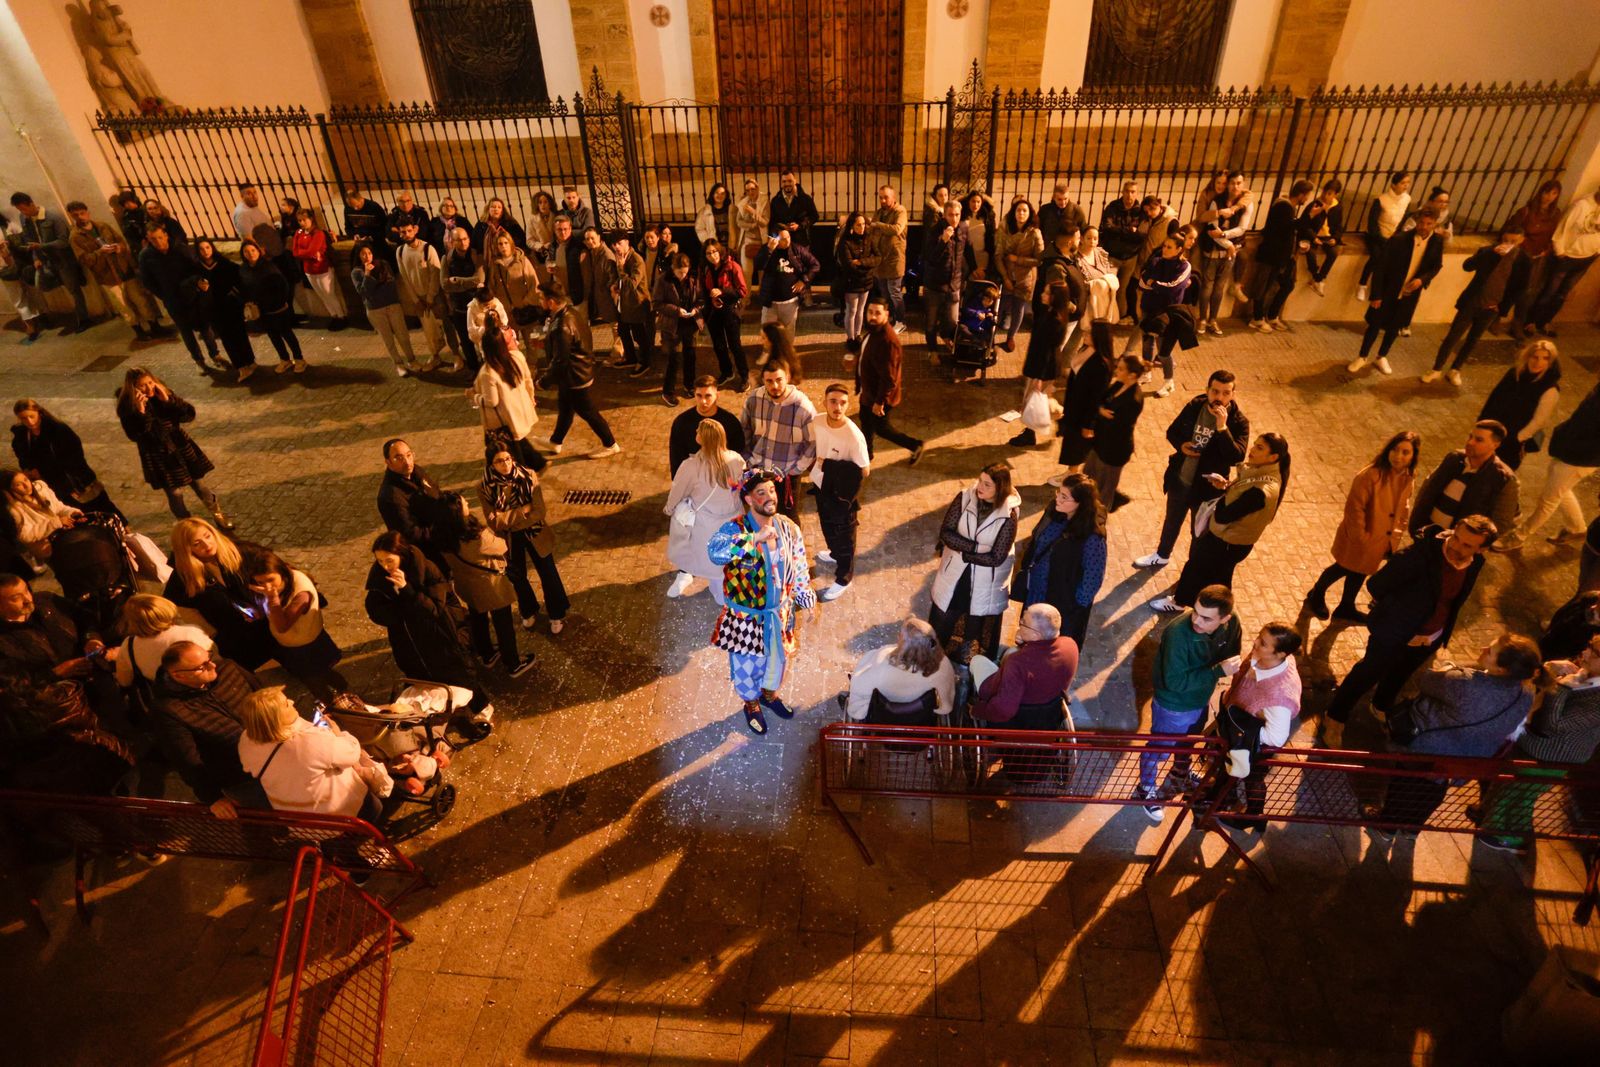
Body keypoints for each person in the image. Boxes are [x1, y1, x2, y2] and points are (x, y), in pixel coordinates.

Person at [1320, 515, 1496, 748]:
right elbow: (1377, 585)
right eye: (1456, 537)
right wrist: (1403, 614)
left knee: (1400, 675)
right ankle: (1335, 717)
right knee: (1368, 673)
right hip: (1395, 631)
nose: (1456, 545)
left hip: (1431, 635)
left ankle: (1381, 706)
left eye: (1466, 545)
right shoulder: (1418, 556)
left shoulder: (1475, 563)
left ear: (1481, 550)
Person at [1373, 634, 1543, 835]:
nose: (1482, 649)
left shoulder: (1466, 683)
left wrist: (1449, 668)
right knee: (1434, 790)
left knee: (1404, 784)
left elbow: (1426, 680)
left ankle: (1387, 828)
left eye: (1489, 651)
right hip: (1462, 759)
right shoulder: (1525, 695)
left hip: (1426, 747)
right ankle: (1412, 828)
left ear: (1502, 669)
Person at [707, 466, 818, 736]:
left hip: (779, 613)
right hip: (746, 618)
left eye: (771, 490)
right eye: (761, 492)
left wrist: (805, 595)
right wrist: (753, 538)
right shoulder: (734, 528)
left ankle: (768, 696)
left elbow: (800, 563)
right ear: (748, 499)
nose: (770, 497)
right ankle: (751, 704)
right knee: (748, 667)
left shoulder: (788, 527)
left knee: (777, 660)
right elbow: (715, 551)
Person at [1480, 634, 1600, 853]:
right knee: (1508, 786)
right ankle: (1490, 819)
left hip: (1553, 756)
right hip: (1532, 744)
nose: (1585, 653)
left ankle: (1510, 837)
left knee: (1520, 795)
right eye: (1589, 645)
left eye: (1594, 652)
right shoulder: (1583, 674)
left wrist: (1560, 687)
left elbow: (1554, 725)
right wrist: (1550, 671)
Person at [1136, 584, 1242, 821]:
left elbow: (1233, 650)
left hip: (1200, 698)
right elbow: (1174, 682)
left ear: (1224, 618)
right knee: (1159, 749)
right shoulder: (1178, 634)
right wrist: (1217, 671)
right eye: (1195, 611)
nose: (1196, 620)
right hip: (1173, 705)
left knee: (1188, 741)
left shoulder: (1232, 622)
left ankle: (1180, 772)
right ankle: (1145, 788)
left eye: (1206, 618)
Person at [1154, 433, 1289, 613]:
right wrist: (1226, 486)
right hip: (1234, 542)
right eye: (1255, 444)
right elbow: (1240, 498)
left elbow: (1224, 515)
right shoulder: (1263, 474)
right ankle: (1218, 611)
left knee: (1196, 568)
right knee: (1220, 577)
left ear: (1273, 457)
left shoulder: (1261, 490)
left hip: (1227, 541)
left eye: (1260, 448)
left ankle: (1180, 602)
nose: (1252, 450)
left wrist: (1222, 498)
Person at [365, 530, 491, 721]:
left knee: (458, 674)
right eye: (380, 561)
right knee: (424, 678)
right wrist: (401, 613)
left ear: (402, 555)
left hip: (440, 634)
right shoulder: (379, 579)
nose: (385, 566)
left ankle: (480, 705)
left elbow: (433, 609)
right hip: (409, 641)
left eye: (389, 560)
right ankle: (445, 711)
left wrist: (406, 590)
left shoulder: (426, 569)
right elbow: (375, 610)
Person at [1134, 370, 1248, 570]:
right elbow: (1172, 431)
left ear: (1233, 394)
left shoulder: (1238, 422)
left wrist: (1222, 428)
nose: (1219, 398)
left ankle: (1190, 570)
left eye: (1225, 393)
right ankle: (1162, 555)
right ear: (1207, 390)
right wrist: (1181, 445)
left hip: (1207, 488)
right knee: (1172, 521)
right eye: (1215, 391)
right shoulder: (1196, 406)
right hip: (1182, 478)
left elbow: (1236, 457)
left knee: (1198, 532)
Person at [1304, 430, 1420, 622]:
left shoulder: (1408, 477)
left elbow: (1403, 507)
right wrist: (1362, 538)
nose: (1398, 456)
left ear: (1413, 456)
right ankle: (1316, 593)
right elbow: (1355, 508)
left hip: (1381, 539)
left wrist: (1394, 536)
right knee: (1342, 567)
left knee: (1361, 571)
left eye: (1405, 452)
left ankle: (1346, 605)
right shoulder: (1371, 475)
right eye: (1395, 450)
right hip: (1362, 537)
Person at [150, 641, 268, 817]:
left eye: (209, 657)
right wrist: (212, 797)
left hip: (274, 756)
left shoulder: (228, 668)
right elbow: (187, 760)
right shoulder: (170, 710)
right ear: (179, 676)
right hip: (242, 778)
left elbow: (266, 695)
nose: (212, 665)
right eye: (202, 666)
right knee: (264, 819)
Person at [237, 686, 381, 821]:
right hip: (340, 815)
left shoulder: (246, 740)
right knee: (374, 807)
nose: (292, 701)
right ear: (275, 719)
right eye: (286, 704)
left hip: (299, 821)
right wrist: (339, 734)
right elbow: (351, 753)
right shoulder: (307, 742)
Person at [1213, 622, 1304, 835]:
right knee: (1232, 772)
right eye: (1259, 637)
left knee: (1253, 779)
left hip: (1252, 745)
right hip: (1235, 722)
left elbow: (1276, 736)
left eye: (1263, 643)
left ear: (1280, 653)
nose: (1255, 643)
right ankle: (1225, 798)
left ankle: (1254, 817)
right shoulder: (1265, 657)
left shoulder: (1280, 696)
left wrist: (1244, 729)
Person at [436, 491, 535, 677]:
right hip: (490, 587)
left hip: (467, 585)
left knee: (478, 618)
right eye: (463, 502)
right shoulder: (475, 537)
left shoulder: (443, 536)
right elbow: (501, 545)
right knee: (503, 624)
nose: (466, 502)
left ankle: (487, 654)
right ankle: (513, 663)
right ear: (457, 511)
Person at [929, 461, 1021, 662]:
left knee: (975, 627)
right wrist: (976, 548)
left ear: (1000, 488)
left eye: (987, 484)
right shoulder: (964, 498)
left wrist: (965, 552)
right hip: (956, 573)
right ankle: (935, 658)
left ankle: (967, 666)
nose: (980, 487)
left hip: (984, 582)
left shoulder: (1008, 514)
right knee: (944, 617)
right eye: (980, 481)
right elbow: (946, 533)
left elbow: (997, 557)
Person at [115, 368, 231, 526]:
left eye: (150, 382)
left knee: (199, 485)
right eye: (143, 386)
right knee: (175, 493)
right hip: (158, 454)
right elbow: (135, 436)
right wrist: (140, 414)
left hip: (180, 446)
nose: (149, 388)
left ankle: (217, 513)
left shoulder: (162, 394)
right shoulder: (127, 407)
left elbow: (188, 416)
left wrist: (168, 401)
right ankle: (186, 524)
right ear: (133, 388)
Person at [1496, 380, 1600, 550]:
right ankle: (1577, 528)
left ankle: (1520, 535)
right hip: (1571, 449)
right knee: (1560, 489)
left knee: (1548, 500)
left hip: (1580, 457)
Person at [479, 445, 570, 634]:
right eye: (499, 461)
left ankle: (556, 613)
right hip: (509, 538)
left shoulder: (528, 476)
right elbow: (494, 523)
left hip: (535, 532)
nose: (505, 464)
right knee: (517, 576)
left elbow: (539, 512)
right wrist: (522, 511)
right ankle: (528, 610)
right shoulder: (484, 487)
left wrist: (506, 518)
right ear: (491, 465)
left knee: (548, 572)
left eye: (507, 459)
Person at [1424, 224, 1530, 384]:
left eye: (1513, 241)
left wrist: (1502, 308)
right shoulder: (1488, 251)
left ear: (1521, 240)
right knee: (1453, 337)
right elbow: (1467, 266)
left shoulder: (1524, 261)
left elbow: (1520, 288)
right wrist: (1490, 253)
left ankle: (1455, 369)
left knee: (1473, 340)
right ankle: (1436, 369)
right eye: (1506, 239)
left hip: (1492, 307)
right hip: (1472, 302)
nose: (1508, 243)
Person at [241, 546, 350, 701]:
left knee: (314, 679)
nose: (267, 586)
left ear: (281, 572)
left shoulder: (301, 593)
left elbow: (282, 626)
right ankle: (339, 686)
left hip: (305, 647)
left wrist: (272, 599)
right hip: (292, 644)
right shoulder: (279, 585)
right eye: (261, 582)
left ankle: (331, 700)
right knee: (320, 672)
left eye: (271, 580)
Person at [1012, 475, 1107, 650]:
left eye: (1064, 496)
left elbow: (1092, 580)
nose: (1058, 498)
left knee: (1049, 646)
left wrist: (1071, 607)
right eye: (1059, 493)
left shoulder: (1092, 537)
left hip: (1060, 603)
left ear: (1081, 503)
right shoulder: (1054, 511)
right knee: (1030, 634)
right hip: (1037, 591)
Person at [165, 518, 274, 669]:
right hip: (233, 635)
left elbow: (275, 567)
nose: (207, 544)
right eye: (197, 544)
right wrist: (209, 631)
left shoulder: (241, 551)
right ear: (187, 549)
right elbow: (175, 604)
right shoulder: (184, 575)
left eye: (207, 536)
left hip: (269, 621)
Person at [1347, 207, 1445, 376]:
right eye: (1421, 222)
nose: (1424, 226)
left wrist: (1422, 279)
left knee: (1395, 327)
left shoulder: (1437, 242)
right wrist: (1376, 294)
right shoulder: (1400, 239)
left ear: (1435, 224)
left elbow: (1436, 266)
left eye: (1429, 223)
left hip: (1410, 293)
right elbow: (1381, 267)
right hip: (1388, 291)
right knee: (1374, 324)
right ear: (1417, 221)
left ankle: (1382, 356)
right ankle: (1362, 356)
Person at [532, 279, 621, 458]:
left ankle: (610, 444)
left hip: (574, 377)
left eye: (541, 298)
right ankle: (556, 442)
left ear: (551, 302)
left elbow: (560, 361)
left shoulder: (561, 326)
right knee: (565, 408)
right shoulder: (571, 312)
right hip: (578, 372)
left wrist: (543, 382)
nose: (540, 302)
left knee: (588, 412)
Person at [663, 418, 744, 600]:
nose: (696, 434)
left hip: (706, 524)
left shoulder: (691, 466)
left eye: (698, 432)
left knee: (711, 561)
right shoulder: (736, 459)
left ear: (702, 439)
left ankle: (717, 592)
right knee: (729, 558)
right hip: (734, 519)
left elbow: (678, 491)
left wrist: (669, 508)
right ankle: (727, 592)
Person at [11, 399, 124, 520]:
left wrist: (44, 470)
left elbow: (74, 456)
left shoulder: (58, 430)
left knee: (101, 508)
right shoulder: (21, 436)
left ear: (38, 412)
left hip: (75, 480)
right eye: (24, 418)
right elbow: (23, 458)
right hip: (50, 485)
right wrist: (28, 470)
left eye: (31, 416)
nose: (29, 421)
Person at [66, 199, 160, 339]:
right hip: (107, 276)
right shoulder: (75, 237)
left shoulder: (102, 226)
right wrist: (100, 252)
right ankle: (139, 332)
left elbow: (121, 241)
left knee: (140, 300)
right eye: (76, 215)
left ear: (87, 213)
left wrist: (119, 247)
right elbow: (84, 259)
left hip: (124, 269)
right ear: (71, 216)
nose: (80, 217)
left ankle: (155, 327)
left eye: (82, 213)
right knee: (123, 306)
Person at [971, 602, 1078, 726]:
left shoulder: (1017, 663)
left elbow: (1003, 711)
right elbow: (1038, 656)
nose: (1019, 624)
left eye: (1023, 623)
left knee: (977, 660)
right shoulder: (1070, 645)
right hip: (1048, 710)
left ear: (1035, 635)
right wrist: (1024, 643)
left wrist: (977, 710)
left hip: (1018, 716)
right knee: (1011, 651)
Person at [811, 385, 871, 602]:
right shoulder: (817, 421)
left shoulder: (854, 436)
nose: (838, 407)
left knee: (845, 532)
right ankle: (834, 553)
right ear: (824, 402)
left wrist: (829, 465)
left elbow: (864, 470)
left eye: (843, 402)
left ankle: (845, 576)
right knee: (827, 525)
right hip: (820, 485)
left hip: (842, 494)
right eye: (833, 401)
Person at [1410, 421, 1519, 536]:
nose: (1470, 442)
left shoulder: (1503, 478)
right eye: (1470, 436)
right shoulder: (1454, 458)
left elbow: (1500, 523)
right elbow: (1428, 488)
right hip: (1424, 532)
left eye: (1479, 440)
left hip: (1457, 546)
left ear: (1495, 445)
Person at [740, 361, 815, 524]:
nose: (774, 385)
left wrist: (796, 469)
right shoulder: (754, 399)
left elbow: (812, 443)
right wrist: (747, 460)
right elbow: (744, 430)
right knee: (759, 516)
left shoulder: (803, 407)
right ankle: (764, 548)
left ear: (787, 377)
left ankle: (791, 549)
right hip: (757, 470)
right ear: (763, 380)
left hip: (786, 475)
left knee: (788, 521)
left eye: (779, 379)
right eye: (769, 381)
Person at [844, 617, 957, 722]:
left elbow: (858, 695)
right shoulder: (943, 665)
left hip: (883, 720)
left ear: (903, 641)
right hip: (920, 723)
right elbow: (945, 707)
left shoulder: (881, 662)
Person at [137, 223, 218, 369]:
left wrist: (198, 282)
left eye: (160, 237)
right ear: (148, 239)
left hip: (192, 296)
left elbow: (196, 268)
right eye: (153, 239)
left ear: (166, 235)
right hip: (172, 300)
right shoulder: (145, 256)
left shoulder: (180, 249)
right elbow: (147, 281)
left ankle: (215, 354)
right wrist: (164, 295)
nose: (158, 242)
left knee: (205, 326)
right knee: (186, 331)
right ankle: (199, 360)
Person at [855, 296, 924, 463]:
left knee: (882, 428)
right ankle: (867, 454)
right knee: (866, 423)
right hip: (869, 392)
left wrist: (880, 402)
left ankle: (915, 445)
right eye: (870, 312)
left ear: (886, 314)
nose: (872, 316)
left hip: (878, 396)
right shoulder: (873, 331)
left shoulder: (888, 341)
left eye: (877, 313)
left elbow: (889, 378)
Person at [9, 192, 88, 335]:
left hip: (62, 259)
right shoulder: (24, 219)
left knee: (73, 289)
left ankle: (83, 319)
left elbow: (64, 241)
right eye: (20, 210)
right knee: (43, 285)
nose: (22, 213)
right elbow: (29, 239)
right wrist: (35, 258)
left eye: (24, 209)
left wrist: (42, 247)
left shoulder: (52, 217)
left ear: (31, 203)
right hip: (45, 261)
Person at [1478, 339, 1561, 473]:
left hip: (1511, 441)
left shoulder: (1549, 389)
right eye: (1535, 357)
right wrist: (1482, 422)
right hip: (1491, 430)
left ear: (1550, 363)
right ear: (1528, 356)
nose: (1538, 362)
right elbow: (1494, 397)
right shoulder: (1515, 373)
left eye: (1545, 358)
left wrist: (1517, 438)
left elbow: (1539, 421)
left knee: (1497, 473)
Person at [1245, 179, 1314, 333]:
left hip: (1281, 257)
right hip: (1271, 255)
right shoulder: (1284, 207)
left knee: (1285, 285)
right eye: (1307, 195)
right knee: (1262, 287)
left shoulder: (1288, 208)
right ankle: (1257, 318)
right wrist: (1308, 216)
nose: (1307, 199)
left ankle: (1271, 315)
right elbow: (1284, 228)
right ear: (1301, 194)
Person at [1011, 282, 1073, 449]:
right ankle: (1062, 420)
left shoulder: (1055, 320)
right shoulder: (1052, 313)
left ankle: (1033, 433)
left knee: (1032, 401)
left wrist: (1039, 377)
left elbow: (1047, 350)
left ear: (1054, 298)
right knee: (1038, 399)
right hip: (1041, 366)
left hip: (1043, 368)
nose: (1042, 295)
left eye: (1046, 293)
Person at [1081, 354, 1146, 509]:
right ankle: (1084, 509)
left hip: (1114, 451)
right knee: (1088, 476)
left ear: (1132, 375)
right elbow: (1100, 400)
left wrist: (1100, 412)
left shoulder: (1134, 400)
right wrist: (1101, 411)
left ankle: (1096, 520)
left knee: (1104, 490)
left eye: (1121, 369)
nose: (1117, 371)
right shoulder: (1119, 384)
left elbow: (1117, 425)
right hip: (1100, 443)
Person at [1191, 171, 1253, 337]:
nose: (1233, 187)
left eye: (1236, 183)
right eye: (1230, 183)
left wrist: (1227, 240)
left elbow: (1242, 228)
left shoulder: (1245, 200)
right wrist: (1228, 243)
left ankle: (1213, 319)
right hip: (1211, 248)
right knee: (1206, 286)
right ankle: (1202, 319)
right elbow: (1211, 228)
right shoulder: (1211, 198)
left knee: (1219, 288)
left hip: (1229, 251)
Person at [187, 238, 257, 381]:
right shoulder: (196, 268)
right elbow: (188, 282)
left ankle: (250, 361)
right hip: (213, 309)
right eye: (201, 249)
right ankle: (241, 366)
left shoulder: (224, 263)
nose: (205, 251)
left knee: (240, 334)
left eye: (207, 247)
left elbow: (239, 278)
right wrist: (197, 283)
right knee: (227, 338)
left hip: (230, 305)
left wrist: (246, 299)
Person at [1135, 234, 1194, 397]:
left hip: (1168, 313)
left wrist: (1153, 283)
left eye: (1169, 247)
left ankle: (1169, 382)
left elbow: (1173, 288)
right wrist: (1155, 285)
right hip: (1149, 308)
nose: (1164, 249)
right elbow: (1142, 282)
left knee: (1163, 351)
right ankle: (1146, 372)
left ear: (1179, 249)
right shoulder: (1156, 261)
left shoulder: (1184, 266)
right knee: (1147, 342)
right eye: (1164, 246)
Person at [471, 327, 541, 463]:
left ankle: (524, 476)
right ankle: (537, 464)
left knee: (509, 452)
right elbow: (528, 380)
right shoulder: (517, 357)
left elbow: (492, 401)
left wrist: (473, 396)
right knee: (518, 444)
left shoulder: (488, 372)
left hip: (504, 421)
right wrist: (531, 398)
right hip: (520, 412)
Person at [112, 593, 212, 688]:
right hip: (201, 687)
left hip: (164, 697)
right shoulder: (190, 633)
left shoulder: (129, 644)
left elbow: (124, 681)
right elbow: (216, 659)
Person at [376, 438, 447, 569]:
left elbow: (436, 493)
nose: (407, 462)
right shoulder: (390, 497)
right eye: (399, 458)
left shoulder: (416, 471)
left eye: (409, 455)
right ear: (388, 462)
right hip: (429, 555)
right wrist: (442, 530)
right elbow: (411, 534)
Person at [237, 239, 306, 373]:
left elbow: (283, 286)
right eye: (246, 251)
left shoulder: (269, 267)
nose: (250, 254)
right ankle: (284, 359)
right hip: (261, 310)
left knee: (287, 334)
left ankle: (299, 359)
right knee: (273, 336)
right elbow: (244, 288)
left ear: (258, 251)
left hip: (277, 308)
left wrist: (278, 302)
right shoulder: (244, 270)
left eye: (252, 250)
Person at [352, 243, 418, 375]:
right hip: (375, 309)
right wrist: (367, 275)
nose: (367, 257)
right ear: (358, 256)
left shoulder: (383, 264)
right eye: (363, 254)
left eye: (369, 253)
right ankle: (398, 364)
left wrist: (374, 287)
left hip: (392, 304)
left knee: (403, 335)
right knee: (388, 339)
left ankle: (412, 360)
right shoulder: (356, 272)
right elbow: (364, 292)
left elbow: (390, 284)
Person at [397, 221, 455, 367]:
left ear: (415, 230)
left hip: (434, 296)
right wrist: (416, 299)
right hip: (419, 298)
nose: (406, 234)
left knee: (446, 326)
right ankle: (435, 355)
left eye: (409, 231)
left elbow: (435, 274)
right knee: (428, 329)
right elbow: (405, 277)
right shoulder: (400, 251)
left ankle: (457, 355)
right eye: (403, 232)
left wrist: (430, 297)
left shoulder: (427, 249)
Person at [923, 198, 976, 349]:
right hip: (935, 284)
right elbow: (930, 258)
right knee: (931, 321)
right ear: (944, 215)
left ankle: (946, 337)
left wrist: (974, 268)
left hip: (955, 283)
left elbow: (969, 249)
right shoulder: (935, 231)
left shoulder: (963, 228)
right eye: (951, 215)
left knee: (952, 319)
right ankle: (932, 350)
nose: (954, 218)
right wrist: (943, 241)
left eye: (957, 215)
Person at [670, 376, 745, 478]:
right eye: (699, 395)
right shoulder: (682, 422)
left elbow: (738, 453)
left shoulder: (730, 422)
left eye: (708, 396)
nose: (703, 401)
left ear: (717, 395)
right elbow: (676, 458)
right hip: (693, 479)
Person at [993, 199, 1043, 352]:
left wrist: (1018, 260)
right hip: (1006, 275)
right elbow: (998, 255)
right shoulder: (1004, 229)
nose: (1021, 213)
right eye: (1018, 210)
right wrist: (1005, 278)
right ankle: (990, 336)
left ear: (1030, 214)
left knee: (1018, 309)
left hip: (1024, 278)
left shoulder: (1035, 233)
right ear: (1013, 213)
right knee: (998, 308)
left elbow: (1039, 260)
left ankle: (1010, 337)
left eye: (1025, 210)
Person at [698, 240, 748, 389]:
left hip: (730, 310)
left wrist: (723, 292)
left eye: (714, 251)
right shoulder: (705, 268)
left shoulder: (732, 266)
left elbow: (742, 291)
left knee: (735, 345)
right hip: (713, 312)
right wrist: (707, 306)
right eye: (708, 253)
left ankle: (744, 376)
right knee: (719, 345)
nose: (712, 256)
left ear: (720, 251)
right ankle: (727, 372)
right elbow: (703, 291)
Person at [1055, 345, 1113, 472]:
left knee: (1077, 444)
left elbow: (1096, 396)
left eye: (1089, 333)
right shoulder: (1085, 349)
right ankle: (1070, 472)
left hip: (1083, 411)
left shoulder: (1101, 362)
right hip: (1075, 405)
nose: (1085, 333)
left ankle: (1072, 473)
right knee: (1072, 442)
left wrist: (1089, 424)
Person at [1355, 171, 1412, 302]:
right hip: (1376, 236)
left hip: (1392, 237)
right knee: (1377, 256)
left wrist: (1397, 236)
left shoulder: (1407, 199)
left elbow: (1403, 219)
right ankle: (1362, 284)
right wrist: (1382, 239)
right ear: (1393, 185)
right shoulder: (1381, 200)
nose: (1406, 186)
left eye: (1408, 183)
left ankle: (1380, 291)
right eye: (1403, 183)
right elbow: (1372, 224)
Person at [4, 469, 83, 560]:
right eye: (18, 485)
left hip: (62, 533)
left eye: (25, 479)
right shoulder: (14, 509)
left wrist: (72, 513)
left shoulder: (41, 488)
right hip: (48, 547)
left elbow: (59, 508)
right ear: (10, 490)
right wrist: (56, 523)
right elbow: (25, 536)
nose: (26, 485)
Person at [654, 252, 700, 406]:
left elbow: (700, 299)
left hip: (690, 323)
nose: (683, 276)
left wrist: (695, 310)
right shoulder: (663, 280)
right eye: (680, 272)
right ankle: (668, 392)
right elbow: (657, 304)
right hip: (672, 325)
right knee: (674, 359)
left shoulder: (692, 279)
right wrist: (676, 311)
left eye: (685, 272)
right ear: (673, 269)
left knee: (690, 356)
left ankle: (689, 385)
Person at [289, 208, 347, 330]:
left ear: (311, 219)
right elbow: (294, 252)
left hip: (322, 269)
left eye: (304, 220)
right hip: (309, 270)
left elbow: (311, 251)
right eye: (299, 220)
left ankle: (341, 317)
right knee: (321, 295)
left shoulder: (318, 233)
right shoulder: (298, 233)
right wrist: (305, 254)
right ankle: (333, 315)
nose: (302, 223)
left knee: (329, 294)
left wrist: (304, 253)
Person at [485, 231, 543, 353]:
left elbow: (534, 284)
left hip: (524, 307)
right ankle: (518, 366)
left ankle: (533, 364)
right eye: (500, 244)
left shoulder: (522, 260)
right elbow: (492, 287)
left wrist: (525, 301)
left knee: (530, 341)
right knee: (510, 344)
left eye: (506, 243)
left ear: (511, 244)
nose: (503, 246)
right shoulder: (495, 264)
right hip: (506, 312)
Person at [606, 231, 654, 376]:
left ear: (627, 242)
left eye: (619, 243)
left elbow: (631, 284)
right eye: (614, 244)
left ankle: (645, 363)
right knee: (623, 331)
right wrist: (615, 285)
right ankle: (631, 358)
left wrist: (621, 270)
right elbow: (621, 282)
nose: (617, 247)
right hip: (624, 303)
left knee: (639, 335)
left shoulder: (636, 259)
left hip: (637, 304)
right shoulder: (620, 257)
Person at [755, 229, 819, 335]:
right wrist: (768, 251)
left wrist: (803, 281)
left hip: (790, 301)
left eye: (788, 237)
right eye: (783, 239)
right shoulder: (767, 249)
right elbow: (758, 264)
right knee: (768, 334)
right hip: (770, 302)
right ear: (775, 239)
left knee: (788, 334)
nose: (787, 241)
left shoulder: (797, 250)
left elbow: (815, 265)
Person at [834, 212, 878, 358]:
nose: (862, 227)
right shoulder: (845, 242)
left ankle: (858, 335)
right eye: (858, 224)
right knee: (851, 311)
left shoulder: (869, 239)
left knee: (861, 310)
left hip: (866, 281)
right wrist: (865, 266)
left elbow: (877, 257)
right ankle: (850, 337)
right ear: (852, 226)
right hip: (851, 282)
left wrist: (861, 262)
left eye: (864, 224)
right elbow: (847, 264)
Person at [441, 224, 484, 372]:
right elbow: (445, 285)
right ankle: (474, 370)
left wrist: (457, 281)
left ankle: (488, 369)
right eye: (459, 240)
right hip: (459, 307)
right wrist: (469, 282)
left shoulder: (475, 255)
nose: (463, 242)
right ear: (452, 242)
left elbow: (479, 279)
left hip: (476, 304)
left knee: (482, 338)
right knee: (465, 342)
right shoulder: (447, 259)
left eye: (465, 239)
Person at [1100, 181, 1145, 320]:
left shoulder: (1140, 211)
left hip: (1130, 257)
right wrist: (1129, 232)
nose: (1129, 195)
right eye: (1127, 191)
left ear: (1137, 193)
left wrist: (1122, 232)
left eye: (1132, 192)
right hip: (1113, 255)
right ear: (1122, 192)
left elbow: (1142, 235)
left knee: (1123, 289)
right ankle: (1105, 316)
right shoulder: (1113, 207)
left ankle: (1119, 316)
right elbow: (1106, 228)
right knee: (1109, 287)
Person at [1, 208, 46, 344]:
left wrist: (10, 245)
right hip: (4, 269)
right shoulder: (8, 226)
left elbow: (25, 241)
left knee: (33, 290)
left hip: (21, 264)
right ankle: (31, 326)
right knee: (17, 297)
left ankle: (42, 317)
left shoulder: (9, 226)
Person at [868, 185, 910, 331]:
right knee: (884, 293)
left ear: (893, 197)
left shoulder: (900, 211)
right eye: (880, 197)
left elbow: (897, 229)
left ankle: (900, 321)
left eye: (886, 197)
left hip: (894, 259)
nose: (883, 200)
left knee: (895, 292)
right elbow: (871, 229)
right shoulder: (879, 212)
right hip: (881, 260)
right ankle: (889, 318)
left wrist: (877, 225)